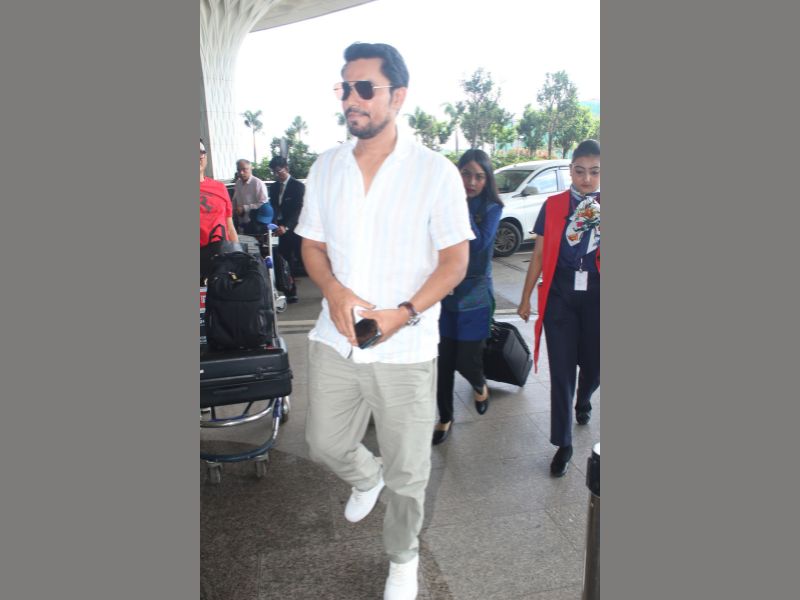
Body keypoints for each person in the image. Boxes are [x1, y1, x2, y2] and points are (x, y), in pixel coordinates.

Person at [295, 42, 473, 600]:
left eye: (363, 87)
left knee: (409, 471)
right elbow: (311, 246)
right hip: (335, 339)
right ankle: (364, 476)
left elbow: (455, 262)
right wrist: (333, 291)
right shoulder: (326, 167)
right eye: (344, 87)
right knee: (323, 442)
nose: (351, 98)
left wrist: (405, 312)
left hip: (406, 348)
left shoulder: (434, 172)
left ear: (398, 96)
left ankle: (402, 557)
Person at [517, 139, 600, 477]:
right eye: (579, 171)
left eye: (594, 172)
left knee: (595, 366)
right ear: (570, 171)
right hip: (561, 295)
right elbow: (538, 254)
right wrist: (526, 297)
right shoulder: (552, 206)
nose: (586, 179)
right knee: (562, 372)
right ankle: (563, 444)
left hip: (599, 294)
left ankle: (585, 397)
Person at [432, 149, 503, 445]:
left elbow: (478, 244)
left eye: (479, 176)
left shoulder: (492, 208)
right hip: (445, 292)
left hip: (476, 296)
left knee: (467, 360)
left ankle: (479, 384)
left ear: (487, 180)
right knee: (444, 363)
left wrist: (459, 205)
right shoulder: (441, 204)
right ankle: (445, 417)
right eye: (465, 174)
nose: (471, 182)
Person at [200, 139, 238, 283]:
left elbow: (230, 225)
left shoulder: (220, 188)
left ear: (205, 157)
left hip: (221, 258)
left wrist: (237, 254)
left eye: (200, 152)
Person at [268, 155, 305, 302]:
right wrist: (274, 224)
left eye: (279, 171)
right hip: (280, 229)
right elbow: (273, 208)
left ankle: (327, 285)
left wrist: (287, 226)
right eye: (274, 172)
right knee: (285, 261)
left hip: (297, 229)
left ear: (286, 168)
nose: (277, 175)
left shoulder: (298, 186)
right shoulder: (274, 187)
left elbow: (299, 210)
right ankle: (291, 292)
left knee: (305, 260)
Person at [232, 158, 268, 235]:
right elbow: (235, 200)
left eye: (244, 169)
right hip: (241, 223)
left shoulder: (257, 183)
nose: (241, 173)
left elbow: (263, 203)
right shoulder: (238, 183)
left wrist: (244, 208)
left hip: (255, 224)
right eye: (239, 170)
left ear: (251, 168)